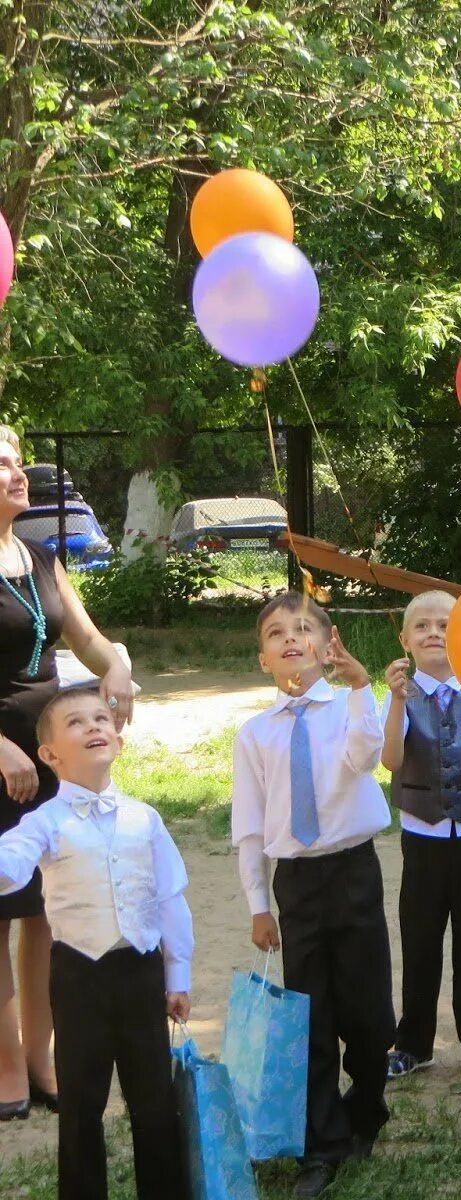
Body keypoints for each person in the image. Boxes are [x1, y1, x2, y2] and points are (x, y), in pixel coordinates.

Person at [232, 595, 394, 1198]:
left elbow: (365, 756)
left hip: (353, 873)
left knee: (371, 1015)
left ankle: (368, 1107)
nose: (290, 639)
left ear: (329, 645)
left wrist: (361, 690)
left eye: (304, 629)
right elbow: (249, 828)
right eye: (277, 634)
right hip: (296, 885)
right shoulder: (254, 735)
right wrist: (257, 904)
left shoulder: (347, 709)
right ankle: (322, 1144)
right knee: (311, 1018)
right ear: (263, 659)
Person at [0, 686, 190, 1199]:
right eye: (77, 723)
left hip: (142, 972)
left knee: (154, 1099)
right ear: (49, 754)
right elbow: (11, 864)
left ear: (119, 740)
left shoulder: (144, 818)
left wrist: (179, 977)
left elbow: (170, 897)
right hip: (78, 976)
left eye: (102, 719)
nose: (94, 728)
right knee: (82, 1104)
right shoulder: (43, 822)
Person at [0, 426, 137, 1119]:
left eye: (17, 459)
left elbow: (86, 638)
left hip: (47, 751)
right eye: (1, 462)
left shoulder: (41, 553)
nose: (18, 472)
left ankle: (38, 1054)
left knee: (43, 909)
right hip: (0, 756)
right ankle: (3, 1068)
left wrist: (117, 666)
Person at [381, 590, 461, 1080]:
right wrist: (395, 703)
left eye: (446, 626)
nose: (435, 634)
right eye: (423, 627)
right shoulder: (400, 695)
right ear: (406, 640)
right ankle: (413, 1041)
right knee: (420, 941)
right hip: (422, 837)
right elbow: (391, 759)